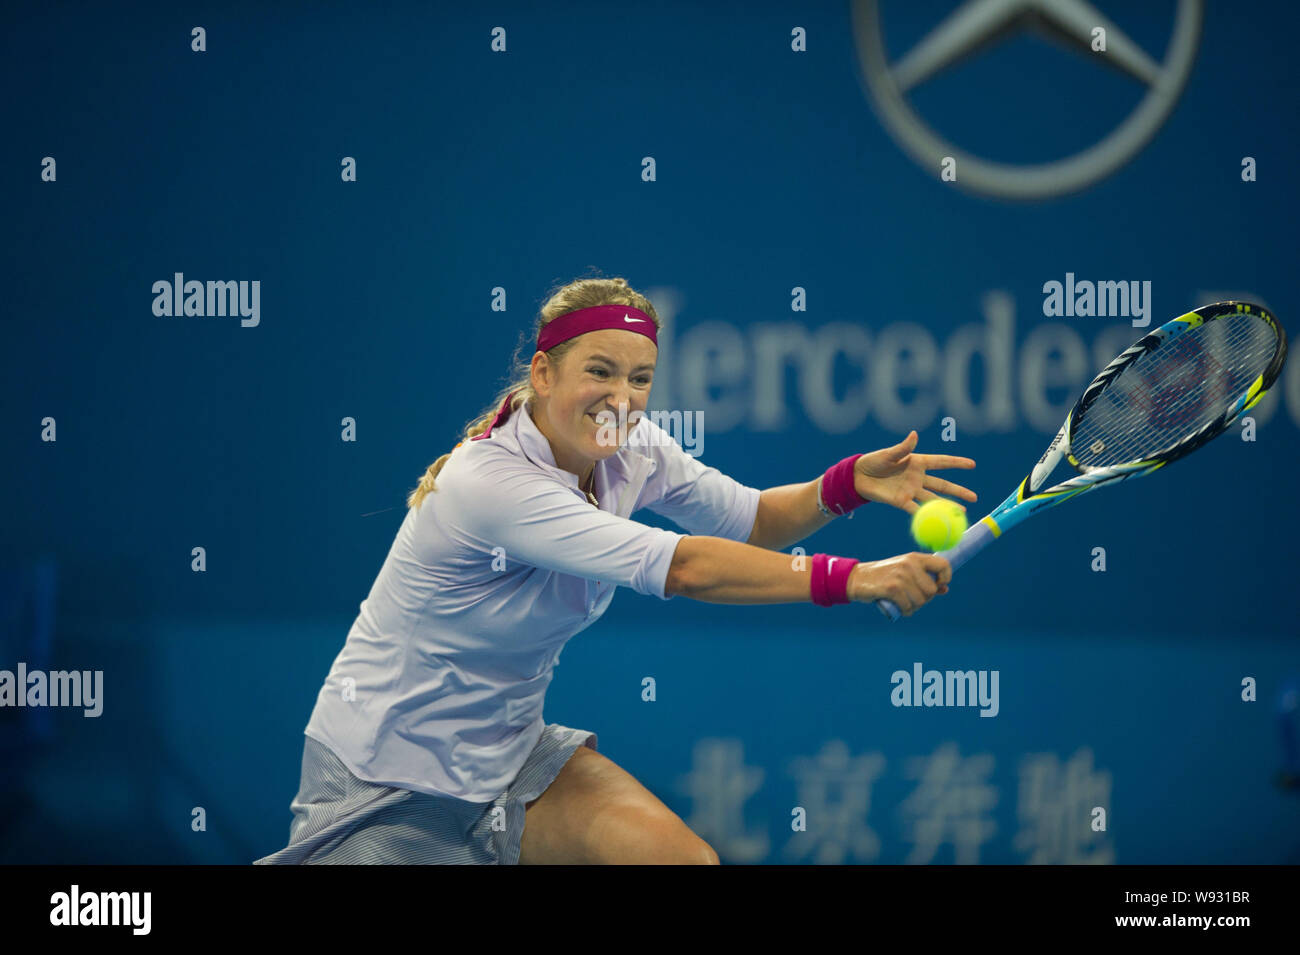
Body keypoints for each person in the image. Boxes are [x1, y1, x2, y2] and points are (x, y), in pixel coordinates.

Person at [254, 275, 974, 865]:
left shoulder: (635, 448)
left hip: (509, 759)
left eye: (640, 378)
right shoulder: (489, 482)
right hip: (385, 777)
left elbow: (753, 518)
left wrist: (847, 483)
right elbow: (687, 566)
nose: (621, 399)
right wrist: (857, 577)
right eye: (598, 372)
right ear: (542, 372)